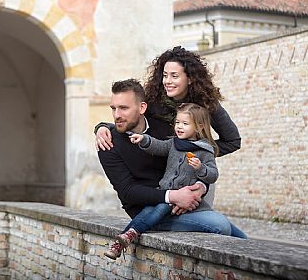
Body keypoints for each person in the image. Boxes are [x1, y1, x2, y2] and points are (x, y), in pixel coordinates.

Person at [97, 79, 246, 260]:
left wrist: (201, 186)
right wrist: (174, 196)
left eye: (124, 108)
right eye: (113, 108)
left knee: (242, 239)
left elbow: (196, 150)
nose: (116, 115)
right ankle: (124, 238)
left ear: (142, 107)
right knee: (221, 226)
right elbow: (128, 191)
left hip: (185, 201)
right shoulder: (108, 143)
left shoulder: (165, 128)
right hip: (148, 213)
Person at [96, 46, 241, 215]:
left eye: (174, 76)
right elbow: (130, 120)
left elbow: (233, 141)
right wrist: (102, 127)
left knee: (206, 225)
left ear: (190, 78)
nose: (167, 81)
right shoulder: (153, 100)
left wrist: (196, 151)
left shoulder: (207, 103)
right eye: (165, 75)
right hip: (167, 180)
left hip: (197, 176)